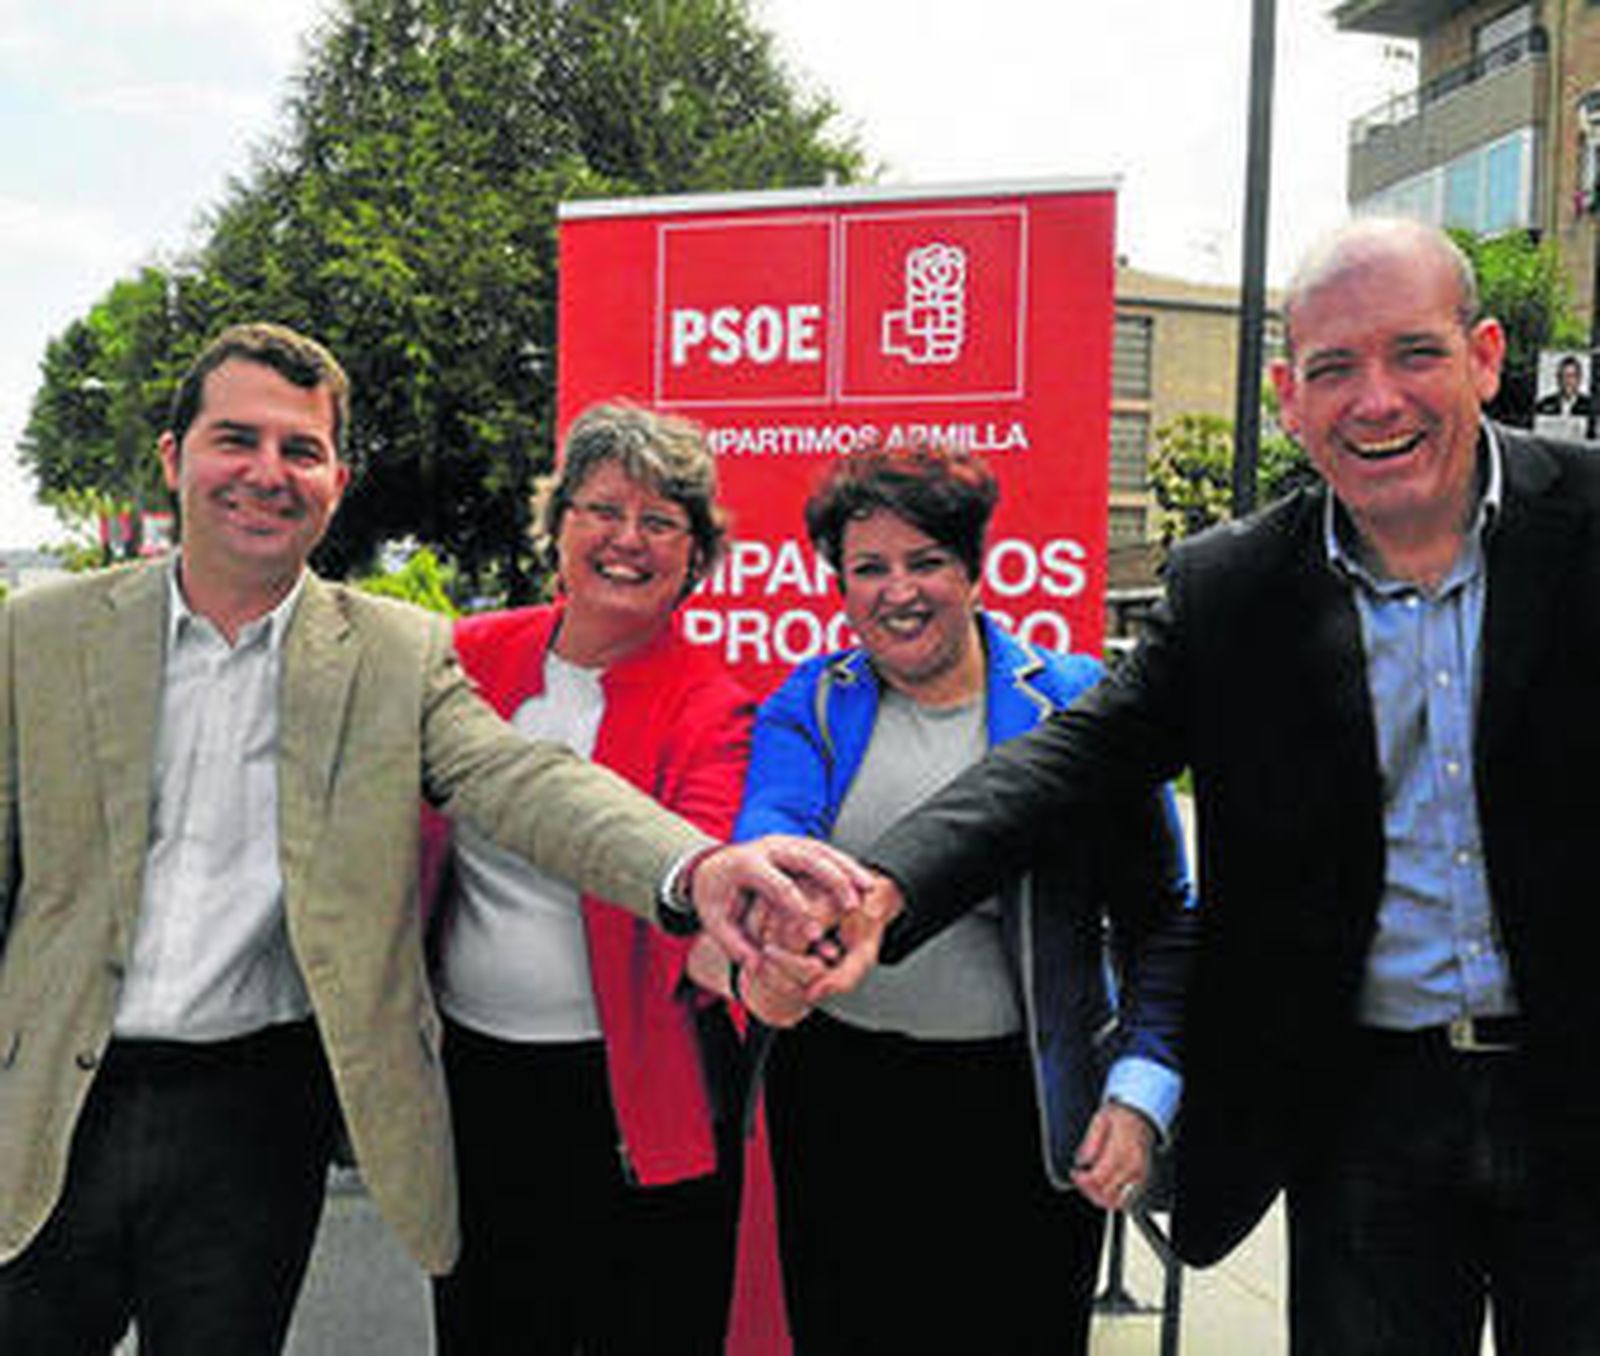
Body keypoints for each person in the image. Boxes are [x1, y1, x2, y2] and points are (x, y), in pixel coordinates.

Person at [0, 323, 861, 1354]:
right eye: (237, 439)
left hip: (257, 1112)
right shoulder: (37, 635)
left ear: (337, 479)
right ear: (173, 457)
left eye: (301, 450)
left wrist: (700, 869)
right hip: (51, 1091)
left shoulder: (396, 655)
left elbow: (521, 780)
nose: (267, 474)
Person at [831, 219, 1600, 1354]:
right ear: (1289, 397)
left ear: (1484, 357)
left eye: (1414, 354)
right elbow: (1070, 755)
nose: (1374, 400)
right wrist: (886, 887)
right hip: (1361, 1111)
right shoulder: (1234, 586)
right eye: (1333, 369)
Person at [731, 445, 1195, 1355]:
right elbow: (768, 844)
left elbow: (1163, 919)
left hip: (1019, 1104)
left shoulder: (1076, 706)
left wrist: (1142, 1094)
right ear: (839, 585)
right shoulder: (811, 706)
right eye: (868, 568)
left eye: (926, 561)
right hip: (840, 1097)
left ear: (975, 569)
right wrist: (768, 949)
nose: (897, 591)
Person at [426, 403, 754, 1353]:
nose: (627, 540)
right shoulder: (463, 660)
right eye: (603, 508)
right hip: (471, 1079)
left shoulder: (717, 704)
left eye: (661, 522)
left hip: (630, 1092)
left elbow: (690, 873)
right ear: (557, 522)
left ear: (697, 556)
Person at [1533, 353, 1593, 418]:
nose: (1568, 381)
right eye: (1564, 376)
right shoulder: (1544, 404)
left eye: (1572, 376)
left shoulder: (1590, 406)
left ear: (1579, 379)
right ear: (1558, 378)